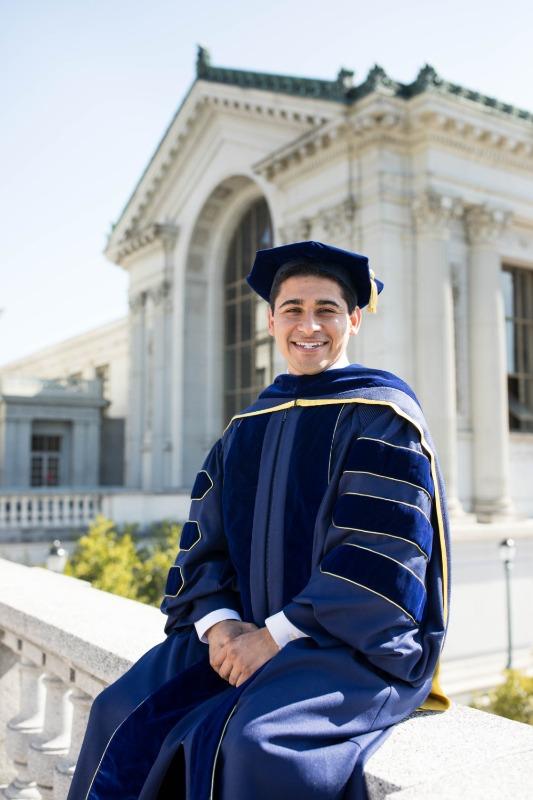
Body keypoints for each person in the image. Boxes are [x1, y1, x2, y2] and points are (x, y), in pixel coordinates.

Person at [68, 241, 450, 800]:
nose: (309, 326)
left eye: (326, 310)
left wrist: (274, 637)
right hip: (240, 631)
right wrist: (221, 626)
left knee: (252, 743)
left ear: (354, 320)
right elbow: (204, 545)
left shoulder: (382, 416)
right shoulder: (245, 427)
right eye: (293, 309)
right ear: (271, 321)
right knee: (120, 709)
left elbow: (377, 560)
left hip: (341, 643)